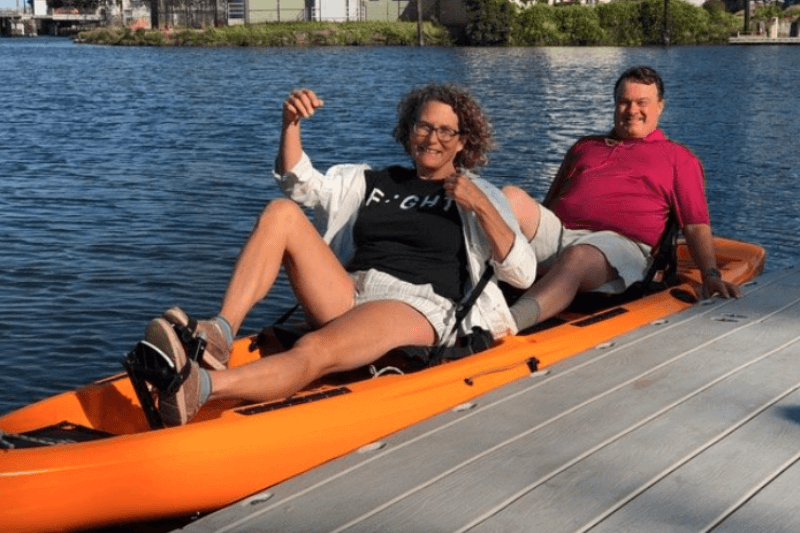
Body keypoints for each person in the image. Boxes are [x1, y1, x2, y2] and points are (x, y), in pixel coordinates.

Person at [141, 83, 537, 427]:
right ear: (409, 129)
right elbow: (299, 184)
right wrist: (290, 123)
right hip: (350, 290)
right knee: (281, 213)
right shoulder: (372, 180)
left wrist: (481, 205)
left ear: (464, 141)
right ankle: (219, 334)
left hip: (415, 303)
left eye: (446, 131)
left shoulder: (478, 192)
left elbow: (521, 272)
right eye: (424, 126)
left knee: (315, 348)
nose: (433, 139)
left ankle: (203, 388)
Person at [502, 65, 741, 332]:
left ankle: (504, 325)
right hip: (561, 233)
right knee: (508, 197)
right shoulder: (585, 146)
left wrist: (709, 274)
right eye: (625, 102)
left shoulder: (679, 158)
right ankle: (466, 292)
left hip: (621, 249)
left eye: (642, 103)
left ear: (659, 107)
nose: (632, 110)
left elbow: (695, 224)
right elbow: (548, 204)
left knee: (578, 256)